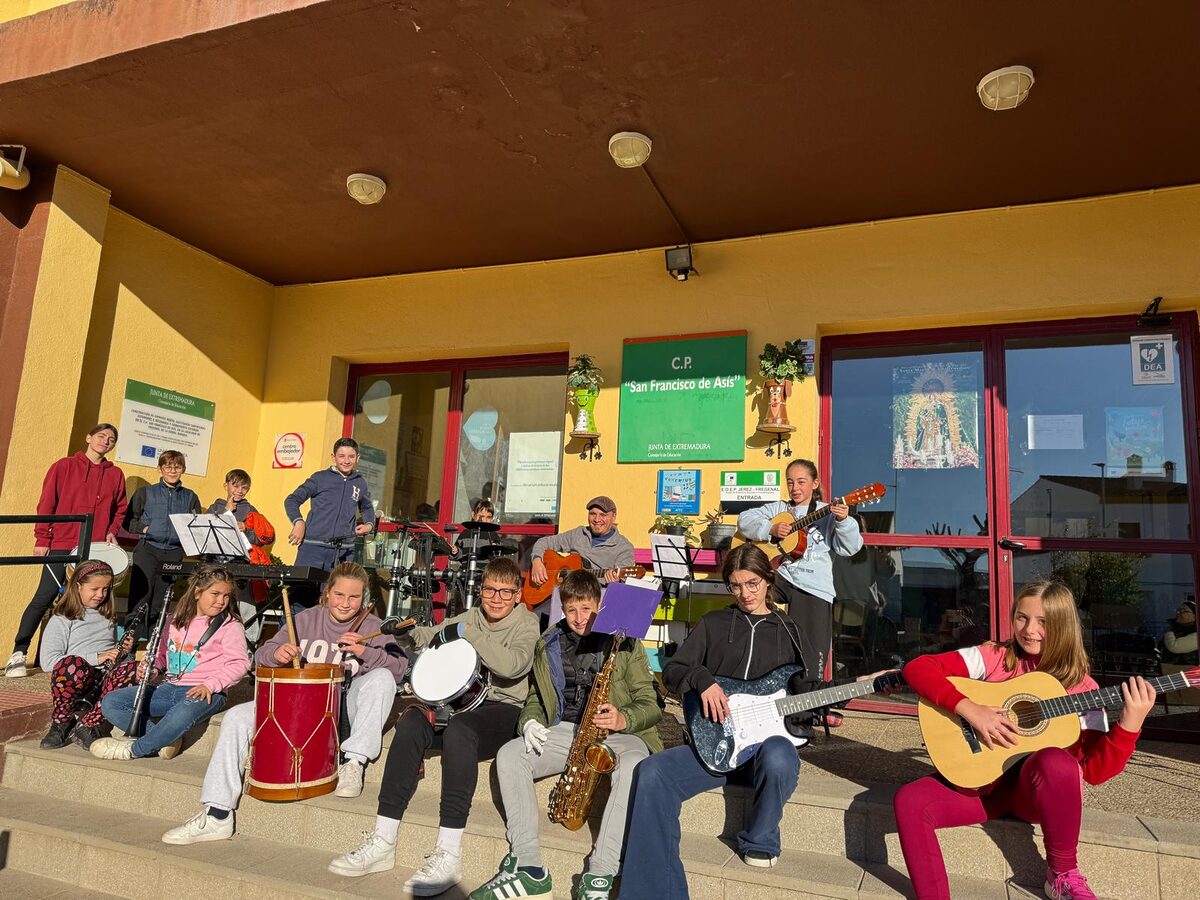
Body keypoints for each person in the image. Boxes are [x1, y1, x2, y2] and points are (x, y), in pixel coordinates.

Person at [894, 579, 1157, 900]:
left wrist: (1130, 724)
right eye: (1022, 617)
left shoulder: (1083, 689)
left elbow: (1094, 772)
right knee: (909, 801)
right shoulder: (995, 656)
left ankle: (1062, 874)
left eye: (1043, 622)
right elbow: (919, 667)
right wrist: (971, 709)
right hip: (981, 788)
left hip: (1030, 796)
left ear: (1063, 626)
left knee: (1056, 761)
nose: (1029, 630)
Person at [327, 557, 539, 895]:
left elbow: (514, 666)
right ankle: (383, 839)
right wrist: (406, 632)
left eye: (505, 592)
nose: (496, 598)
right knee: (411, 721)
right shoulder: (471, 615)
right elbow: (431, 636)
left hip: (501, 710)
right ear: (481, 591)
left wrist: (469, 635)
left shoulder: (526, 623)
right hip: (460, 704)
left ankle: (449, 854)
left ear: (518, 595)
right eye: (489, 590)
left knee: (460, 730)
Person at [160, 562, 407, 845]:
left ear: (364, 599)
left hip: (343, 712)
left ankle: (354, 763)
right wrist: (277, 653)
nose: (345, 603)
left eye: (354, 597)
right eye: (339, 595)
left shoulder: (375, 627)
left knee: (382, 678)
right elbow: (260, 656)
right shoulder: (305, 619)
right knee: (236, 717)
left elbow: (399, 669)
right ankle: (217, 814)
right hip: (296, 708)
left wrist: (365, 651)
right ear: (327, 593)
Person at [620, 544, 810, 896]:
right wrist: (702, 680)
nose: (745, 594)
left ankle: (761, 838)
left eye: (752, 584)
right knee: (652, 772)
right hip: (715, 747)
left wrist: (837, 699)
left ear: (769, 580)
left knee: (780, 754)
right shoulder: (714, 623)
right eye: (735, 586)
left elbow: (805, 692)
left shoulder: (790, 630)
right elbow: (674, 670)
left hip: (764, 756)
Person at [472, 570, 662, 900]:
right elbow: (537, 696)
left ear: (600, 606)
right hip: (567, 730)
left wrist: (623, 717)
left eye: (586, 608)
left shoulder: (624, 641)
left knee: (633, 766)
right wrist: (530, 722)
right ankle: (528, 866)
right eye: (571, 609)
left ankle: (600, 873)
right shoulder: (548, 642)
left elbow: (651, 703)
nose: (579, 618)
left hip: (618, 733)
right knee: (510, 754)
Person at [90, 564, 250, 761]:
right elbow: (161, 656)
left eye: (226, 596)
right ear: (197, 592)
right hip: (169, 687)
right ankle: (166, 738)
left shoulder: (230, 625)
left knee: (183, 712)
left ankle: (133, 750)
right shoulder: (172, 619)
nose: (221, 601)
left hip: (206, 691)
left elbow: (239, 663)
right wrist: (152, 668)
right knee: (111, 702)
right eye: (215, 594)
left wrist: (210, 685)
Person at [6, 423, 128, 678]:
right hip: (62, 542)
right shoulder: (63, 466)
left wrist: (111, 530)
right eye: (101, 436)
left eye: (111, 439)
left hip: (95, 548)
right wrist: (42, 538)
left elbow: (120, 509)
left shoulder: (115, 474)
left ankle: (89, 655)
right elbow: (47, 503)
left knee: (94, 600)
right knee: (45, 596)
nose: (105, 441)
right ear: (89, 437)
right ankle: (19, 652)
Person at [736, 458, 862, 680]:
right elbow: (744, 520)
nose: (795, 488)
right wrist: (770, 528)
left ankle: (808, 694)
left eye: (801, 482)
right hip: (780, 576)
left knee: (810, 653)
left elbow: (850, 548)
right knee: (748, 589)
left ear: (815, 484)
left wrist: (844, 521)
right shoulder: (779, 508)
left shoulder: (828, 512)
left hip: (812, 585)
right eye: (790, 482)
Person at [37, 560, 137, 751]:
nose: (100, 595)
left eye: (106, 589)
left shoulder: (108, 616)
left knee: (137, 669)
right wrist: (96, 657)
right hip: (75, 682)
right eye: (94, 589)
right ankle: (62, 722)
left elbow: (109, 655)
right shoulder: (62, 618)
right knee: (72, 664)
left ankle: (88, 725)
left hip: (103, 681)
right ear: (78, 586)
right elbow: (49, 662)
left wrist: (122, 652)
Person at [285, 438, 376, 607]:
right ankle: (292, 625)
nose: (346, 461)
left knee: (334, 601)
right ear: (333, 457)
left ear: (358, 458)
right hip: (313, 548)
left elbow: (367, 507)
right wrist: (299, 522)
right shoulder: (320, 478)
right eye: (341, 456)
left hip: (344, 551)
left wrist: (369, 525)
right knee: (300, 598)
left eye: (351, 456)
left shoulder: (360, 483)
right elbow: (292, 500)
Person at [124, 449, 202, 640]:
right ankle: (130, 644)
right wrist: (146, 529)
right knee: (140, 598)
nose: (173, 471)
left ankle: (154, 643)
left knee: (161, 601)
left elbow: (196, 525)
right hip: (147, 550)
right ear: (159, 469)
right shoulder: (145, 493)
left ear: (183, 470)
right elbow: (129, 522)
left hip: (173, 553)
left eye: (177, 467)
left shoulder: (190, 497)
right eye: (168, 467)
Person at [204, 468, 275, 641]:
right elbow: (204, 531)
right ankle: (208, 639)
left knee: (246, 606)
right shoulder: (215, 507)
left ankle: (251, 643)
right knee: (213, 602)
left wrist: (247, 529)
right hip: (216, 562)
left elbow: (264, 538)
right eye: (235, 486)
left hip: (241, 563)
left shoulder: (251, 510)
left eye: (244, 488)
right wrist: (225, 512)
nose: (239, 491)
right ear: (226, 486)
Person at [528, 496, 635, 588]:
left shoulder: (624, 547)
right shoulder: (578, 534)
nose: (597, 519)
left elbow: (622, 586)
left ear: (614, 516)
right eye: (593, 514)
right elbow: (543, 542)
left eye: (603, 515)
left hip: (595, 597)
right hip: (563, 592)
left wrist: (615, 583)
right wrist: (537, 561)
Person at [1161, 599, 1197, 664]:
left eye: (1184, 611)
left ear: (1194, 615)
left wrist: (1170, 629)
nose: (1178, 613)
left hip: (1186, 669)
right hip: (1169, 667)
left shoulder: (1196, 633)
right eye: (1178, 610)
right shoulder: (1177, 628)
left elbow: (1174, 646)